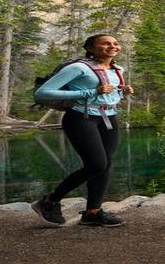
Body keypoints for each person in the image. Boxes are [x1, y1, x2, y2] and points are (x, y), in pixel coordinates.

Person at [31, 34, 133, 227]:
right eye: (105, 43)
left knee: (105, 165)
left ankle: (92, 213)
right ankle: (50, 201)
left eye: (115, 43)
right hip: (81, 118)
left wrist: (122, 91)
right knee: (96, 164)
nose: (112, 46)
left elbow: (106, 93)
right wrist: (89, 92)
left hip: (109, 118)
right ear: (90, 48)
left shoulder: (117, 69)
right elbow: (42, 93)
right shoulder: (78, 68)